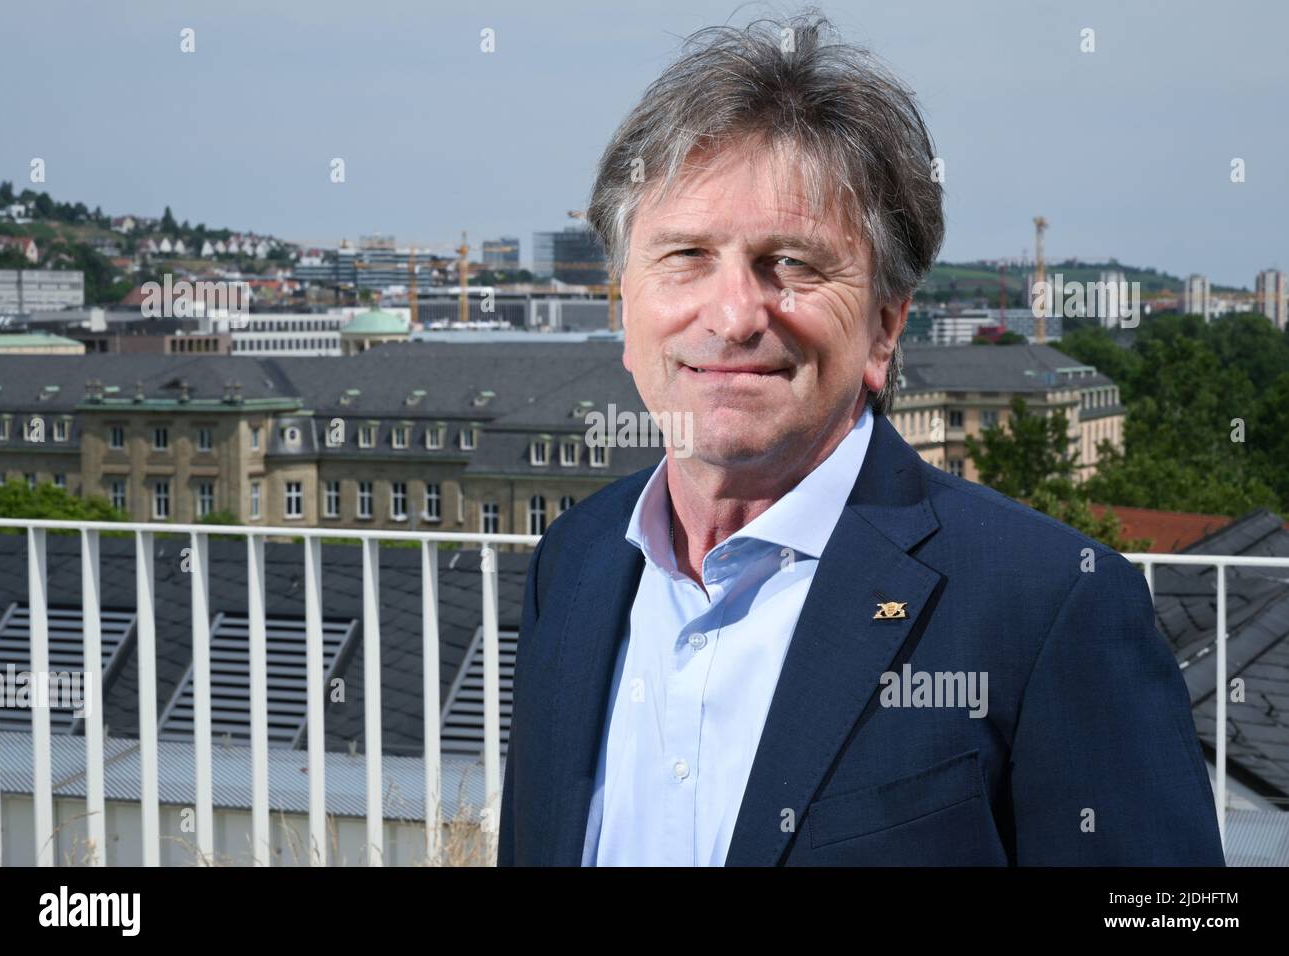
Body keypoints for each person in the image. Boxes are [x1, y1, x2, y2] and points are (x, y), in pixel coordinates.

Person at [497, 13, 1224, 866]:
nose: (734, 317)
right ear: (626, 314)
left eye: (794, 264)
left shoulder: (1048, 608)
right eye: (686, 255)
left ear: (884, 327)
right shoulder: (573, 565)